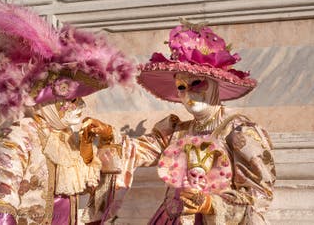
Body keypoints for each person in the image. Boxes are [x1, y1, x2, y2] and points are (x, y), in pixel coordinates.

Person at [83, 20, 276, 224]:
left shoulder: (239, 132)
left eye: (197, 83)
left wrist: (211, 205)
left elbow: (259, 195)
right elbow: (136, 151)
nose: (188, 93)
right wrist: (108, 135)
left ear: (214, 85)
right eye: (181, 87)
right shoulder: (176, 131)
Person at [0, 1, 135, 225]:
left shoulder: (65, 138)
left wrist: (108, 154)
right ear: (47, 99)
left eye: (80, 100)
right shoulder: (16, 135)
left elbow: (90, 193)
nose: (80, 107)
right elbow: (0, 197)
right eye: (71, 100)